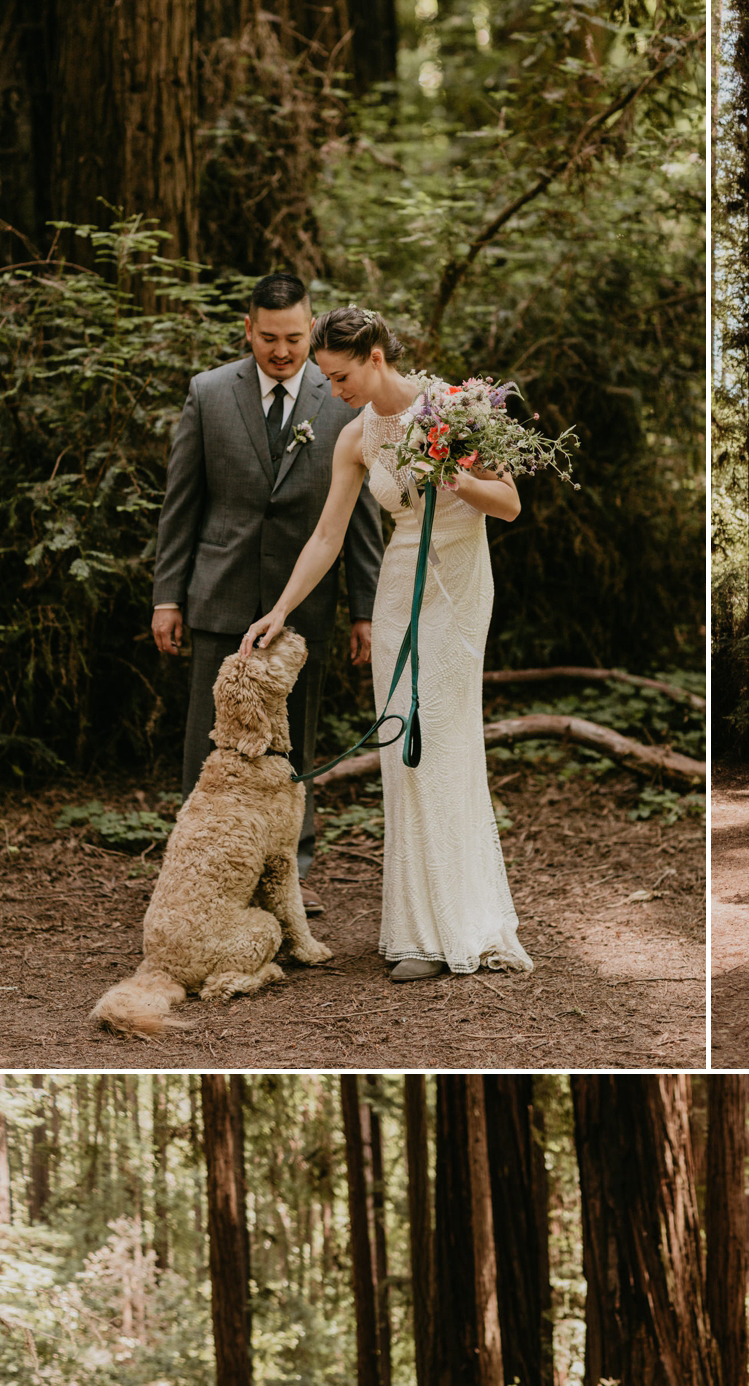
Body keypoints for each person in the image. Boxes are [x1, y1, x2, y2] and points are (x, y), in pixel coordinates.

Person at [237, 306, 532, 982]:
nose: (333, 391)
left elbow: (510, 504)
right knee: (401, 747)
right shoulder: (354, 438)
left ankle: (461, 922)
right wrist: (280, 609)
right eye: (327, 380)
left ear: (374, 356)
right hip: (400, 588)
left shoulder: (457, 407)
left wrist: (460, 481)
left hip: (459, 584)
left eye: (339, 377)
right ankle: (414, 933)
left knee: (445, 742)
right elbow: (327, 536)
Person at [151, 273, 384, 904]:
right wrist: (167, 596)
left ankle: (290, 875)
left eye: (294, 338)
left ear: (311, 329)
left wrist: (364, 607)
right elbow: (182, 504)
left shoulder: (341, 397)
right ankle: (199, 874)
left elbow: (358, 514)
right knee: (210, 737)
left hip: (306, 600)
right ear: (248, 329)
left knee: (293, 742)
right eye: (269, 338)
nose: (282, 352)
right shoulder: (208, 393)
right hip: (219, 591)